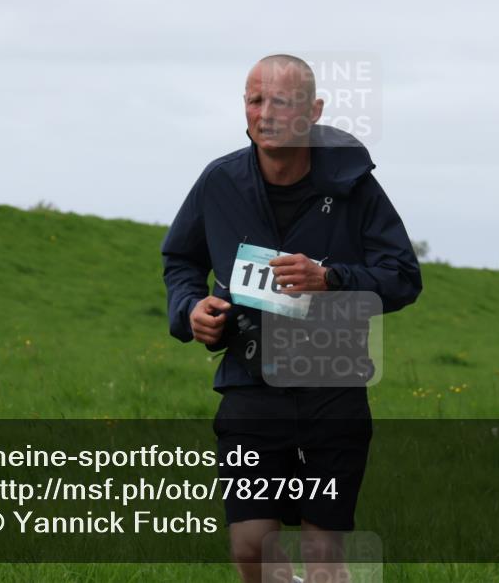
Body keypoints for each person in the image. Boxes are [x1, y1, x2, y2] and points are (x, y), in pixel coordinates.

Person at [161, 54, 422, 583]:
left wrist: (330, 279)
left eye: (281, 101)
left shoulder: (354, 185)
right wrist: (191, 308)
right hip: (251, 384)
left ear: (313, 110)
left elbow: (402, 276)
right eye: (255, 100)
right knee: (251, 546)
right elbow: (181, 260)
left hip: (333, 386)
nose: (266, 113)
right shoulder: (220, 182)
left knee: (323, 556)